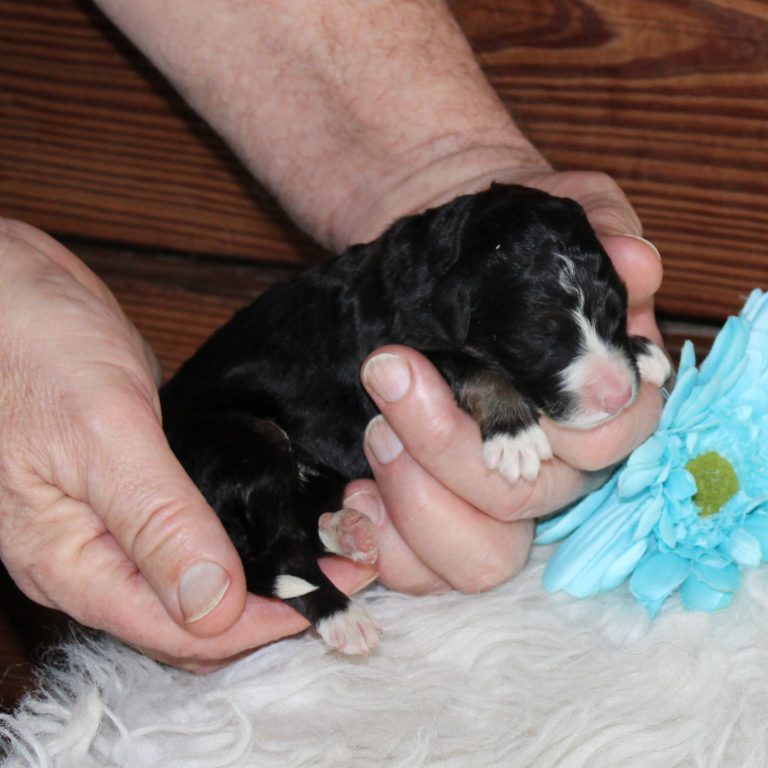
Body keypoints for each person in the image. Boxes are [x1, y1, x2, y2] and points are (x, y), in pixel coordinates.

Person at [0, 0, 665, 672]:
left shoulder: (461, 283)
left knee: (369, 507)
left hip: (326, 460)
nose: (608, 379)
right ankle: (302, 583)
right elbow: (429, 362)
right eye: (550, 340)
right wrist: (498, 402)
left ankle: (315, 540)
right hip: (231, 427)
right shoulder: (427, 303)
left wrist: (450, 163)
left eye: (607, 318)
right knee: (262, 481)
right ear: (464, 309)